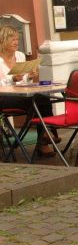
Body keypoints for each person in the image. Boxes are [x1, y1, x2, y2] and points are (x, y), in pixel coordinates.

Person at [0, 26, 59, 156]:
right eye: (13, 39)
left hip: (22, 95)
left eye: (17, 39)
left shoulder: (20, 55)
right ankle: (46, 137)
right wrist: (12, 79)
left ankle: (45, 136)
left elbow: (23, 81)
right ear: (3, 40)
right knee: (37, 100)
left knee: (43, 97)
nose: (16, 42)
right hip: (4, 98)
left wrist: (29, 76)